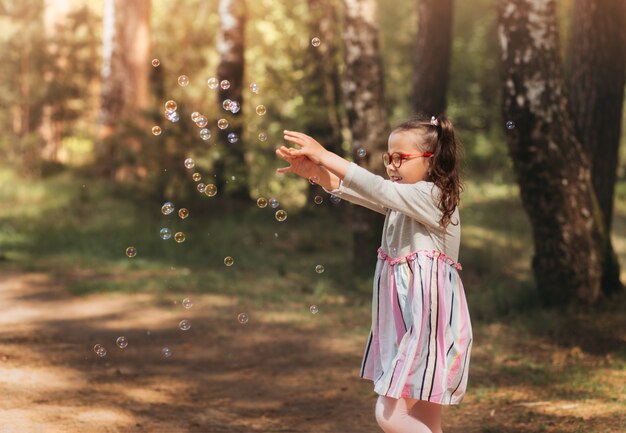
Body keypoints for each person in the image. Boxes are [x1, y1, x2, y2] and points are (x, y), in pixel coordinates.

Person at [275, 114, 473, 433]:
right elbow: (368, 195)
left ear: (432, 161)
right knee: (424, 417)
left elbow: (378, 189)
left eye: (401, 158)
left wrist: (326, 156)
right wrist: (318, 174)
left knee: (391, 414)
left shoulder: (433, 197)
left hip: (427, 325)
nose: (392, 165)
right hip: (413, 322)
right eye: (389, 157)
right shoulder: (406, 200)